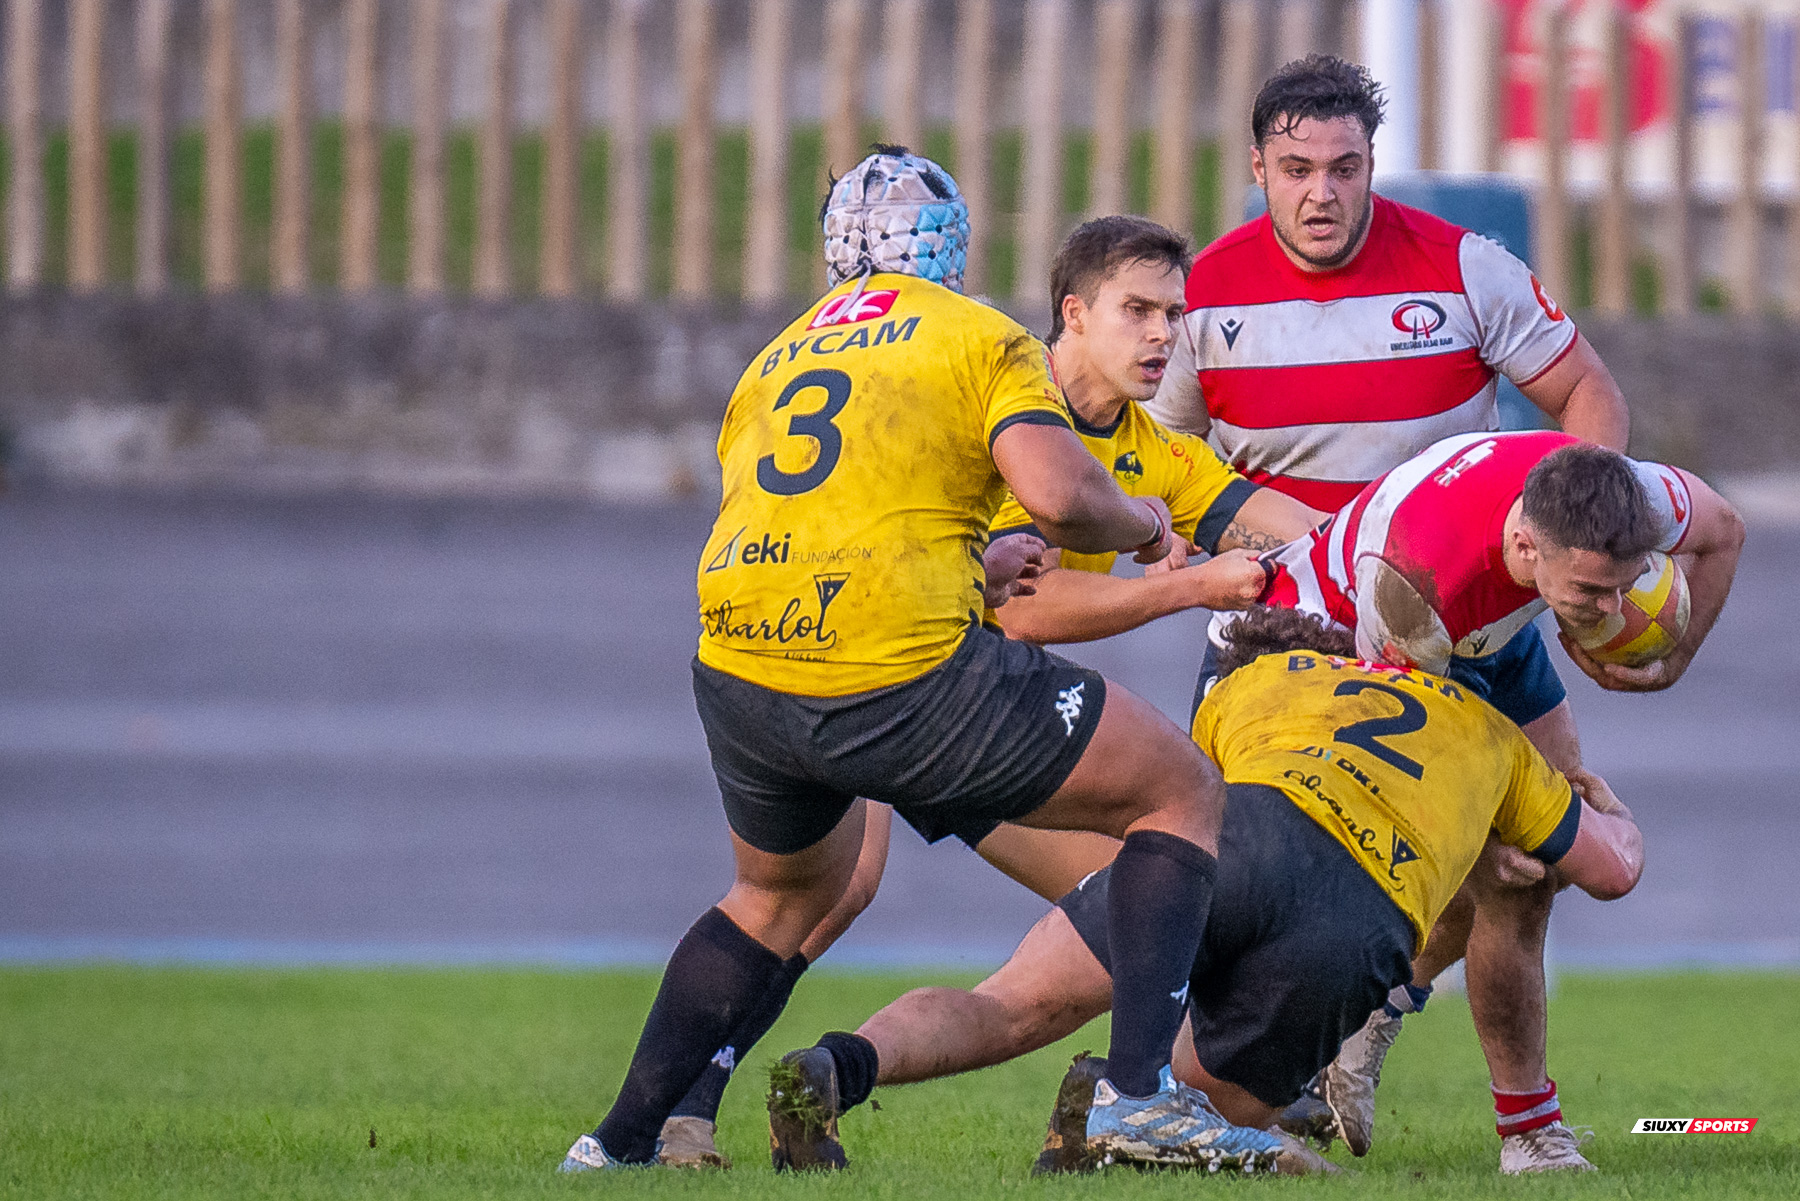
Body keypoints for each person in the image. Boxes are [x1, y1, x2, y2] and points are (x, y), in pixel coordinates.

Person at [558, 147, 1285, 1173]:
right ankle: (1138, 1097)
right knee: (1180, 795)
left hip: (742, 665)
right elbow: (1058, 491)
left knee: (783, 895)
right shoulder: (977, 336)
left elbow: (825, 510)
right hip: (898, 669)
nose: (1164, 333)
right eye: (1141, 311)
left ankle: (621, 1141)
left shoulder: (780, 357)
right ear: (958, 251)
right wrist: (1142, 526)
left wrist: (975, 557)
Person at [1145, 54, 1639, 1170]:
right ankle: (1172, 1095)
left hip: (1479, 620)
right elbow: (1160, 463)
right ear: (1259, 168)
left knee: (1526, 862)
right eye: (1298, 169)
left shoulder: (1465, 267)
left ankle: (1526, 1127)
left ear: (1374, 167)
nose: (1322, 193)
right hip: (1292, 638)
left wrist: (1571, 543)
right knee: (1254, 885)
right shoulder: (1208, 296)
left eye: (1346, 168)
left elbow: (1586, 393)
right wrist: (1182, 541)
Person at [771, 606, 1644, 1176]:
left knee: (1008, 1002)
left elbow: (1192, 785)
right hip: (1351, 913)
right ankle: (1107, 1114)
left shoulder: (1262, 681)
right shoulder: (1495, 738)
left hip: (1234, 836)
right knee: (1203, 1113)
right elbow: (1608, 870)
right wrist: (1606, 814)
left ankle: (839, 1066)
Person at [1245, 430, 1742, 1169]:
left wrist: (1671, 662)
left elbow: (1725, 531)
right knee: (1493, 869)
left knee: (1538, 860)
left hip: (1492, 626)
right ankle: (1515, 1124)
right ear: (1528, 543)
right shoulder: (1412, 582)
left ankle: (1394, 1037)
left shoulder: (1630, 498)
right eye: (1591, 594)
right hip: (1339, 646)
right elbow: (1418, 769)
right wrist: (1489, 838)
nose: (1612, 612)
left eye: (1623, 586)